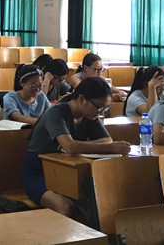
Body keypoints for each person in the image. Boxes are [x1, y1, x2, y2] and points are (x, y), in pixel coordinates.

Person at [22, 77, 130, 216]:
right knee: (65, 207)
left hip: (68, 173)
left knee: (99, 201)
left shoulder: (89, 115)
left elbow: (106, 140)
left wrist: (80, 145)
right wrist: (111, 148)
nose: (100, 112)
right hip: (39, 175)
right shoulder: (56, 112)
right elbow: (70, 147)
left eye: (105, 108)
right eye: (98, 107)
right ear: (81, 99)